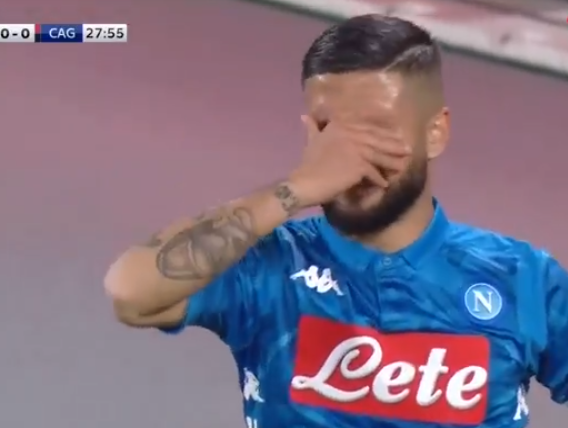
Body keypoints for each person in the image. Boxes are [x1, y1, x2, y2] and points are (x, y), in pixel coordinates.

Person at [104, 14, 568, 428]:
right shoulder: (268, 265)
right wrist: (296, 188)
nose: (351, 157)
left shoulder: (521, 277)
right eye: (331, 132)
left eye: (377, 129)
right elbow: (132, 292)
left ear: (435, 133)